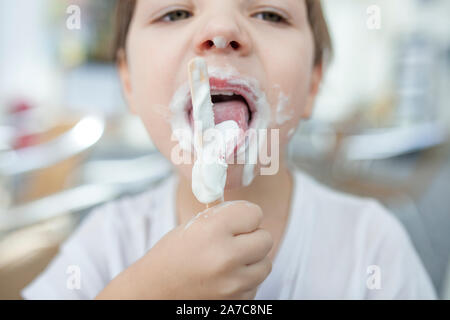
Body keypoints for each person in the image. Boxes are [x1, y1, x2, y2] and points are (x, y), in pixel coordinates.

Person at [22, 0, 436, 299]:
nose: (221, 32)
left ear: (313, 83)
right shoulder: (105, 243)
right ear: (128, 82)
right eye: (176, 13)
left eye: (269, 14)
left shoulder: (373, 248)